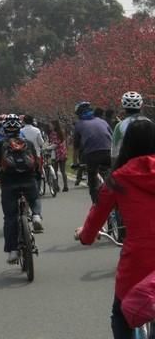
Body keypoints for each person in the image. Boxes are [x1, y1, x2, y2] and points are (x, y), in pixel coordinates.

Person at [76, 119, 155, 339]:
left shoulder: (118, 179)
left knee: (120, 314)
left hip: (137, 261)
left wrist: (85, 236)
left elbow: (96, 216)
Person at [0, 114, 43, 264]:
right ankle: (37, 216)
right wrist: (37, 176)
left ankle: (13, 251)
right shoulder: (28, 143)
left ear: (3, 129)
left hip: (9, 184)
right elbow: (36, 163)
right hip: (28, 180)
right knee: (34, 198)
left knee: (10, 217)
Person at [73, 101, 112, 203]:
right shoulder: (102, 121)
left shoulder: (79, 125)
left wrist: (75, 162)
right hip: (109, 152)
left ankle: (96, 204)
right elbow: (112, 138)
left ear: (79, 114)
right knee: (114, 174)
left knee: (92, 181)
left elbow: (76, 147)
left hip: (92, 155)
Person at [111, 91, 150, 164]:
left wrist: (113, 169)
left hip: (129, 165)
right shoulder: (149, 123)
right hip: (148, 166)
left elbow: (114, 151)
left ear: (123, 106)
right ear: (141, 105)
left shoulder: (120, 126)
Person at [48, 120, 68, 192]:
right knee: (63, 171)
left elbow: (54, 144)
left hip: (56, 154)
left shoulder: (53, 134)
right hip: (63, 153)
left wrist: (48, 148)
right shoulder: (61, 132)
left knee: (55, 171)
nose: (50, 126)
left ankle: (56, 186)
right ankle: (65, 185)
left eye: (51, 125)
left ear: (54, 125)